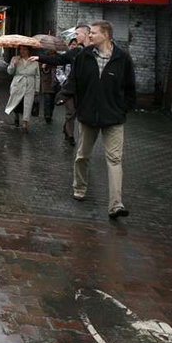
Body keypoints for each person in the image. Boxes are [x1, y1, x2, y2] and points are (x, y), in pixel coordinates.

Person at [57, 20, 137, 219]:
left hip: (114, 118)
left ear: (106, 35)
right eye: (89, 33)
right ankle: (80, 187)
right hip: (88, 116)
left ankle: (116, 205)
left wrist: (123, 109)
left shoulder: (123, 59)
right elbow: (74, 80)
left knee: (115, 160)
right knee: (83, 155)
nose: (89, 36)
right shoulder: (83, 56)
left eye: (93, 33)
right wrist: (64, 95)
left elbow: (130, 89)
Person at [29, 24, 89, 145]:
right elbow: (59, 60)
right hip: (71, 88)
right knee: (70, 112)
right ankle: (71, 136)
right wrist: (40, 58)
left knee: (80, 114)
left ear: (86, 34)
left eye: (77, 34)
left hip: (85, 90)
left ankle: (67, 130)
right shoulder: (76, 51)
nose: (75, 36)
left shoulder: (93, 52)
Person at [4, 44, 40, 133]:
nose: (22, 51)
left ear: (29, 50)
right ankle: (16, 116)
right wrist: (13, 64)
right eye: (21, 49)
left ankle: (25, 123)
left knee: (27, 104)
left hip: (29, 84)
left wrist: (37, 89)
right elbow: (9, 72)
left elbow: (37, 76)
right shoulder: (15, 59)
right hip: (18, 83)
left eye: (24, 49)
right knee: (17, 102)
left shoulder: (34, 61)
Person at [38, 49, 59, 123]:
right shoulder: (44, 57)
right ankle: (47, 115)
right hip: (46, 81)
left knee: (52, 100)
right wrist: (43, 67)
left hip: (54, 81)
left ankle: (50, 114)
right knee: (47, 99)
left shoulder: (58, 57)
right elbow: (40, 68)